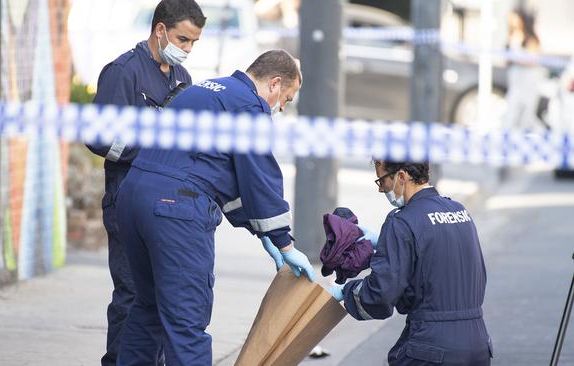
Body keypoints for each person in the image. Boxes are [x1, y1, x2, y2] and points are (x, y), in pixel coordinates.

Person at [115, 49, 315, 366]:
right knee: (186, 321)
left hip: (132, 197)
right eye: (286, 100)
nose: (281, 108)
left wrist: (259, 231)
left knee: (148, 308)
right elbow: (259, 176)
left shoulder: (206, 90)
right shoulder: (250, 106)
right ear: (275, 84)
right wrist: (284, 242)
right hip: (175, 209)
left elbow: (222, 179)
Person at [85, 1, 206, 365]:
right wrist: (147, 151)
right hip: (127, 201)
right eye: (182, 39)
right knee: (132, 293)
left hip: (167, 209)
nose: (186, 48)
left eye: (193, 43)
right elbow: (97, 136)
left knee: (162, 295)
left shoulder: (182, 79)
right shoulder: (124, 72)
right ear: (160, 30)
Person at [331, 160, 493, 366]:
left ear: (401, 176)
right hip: (478, 344)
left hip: (431, 348)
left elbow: (380, 295)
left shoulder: (401, 222)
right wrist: (386, 244)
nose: (381, 189)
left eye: (381, 180)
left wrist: (346, 291)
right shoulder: (459, 211)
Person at [502, 8, 544, 130]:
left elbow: (533, 60)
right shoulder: (512, 36)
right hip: (515, 80)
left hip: (528, 80)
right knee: (512, 111)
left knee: (527, 114)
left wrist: (517, 59)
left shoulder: (530, 39)